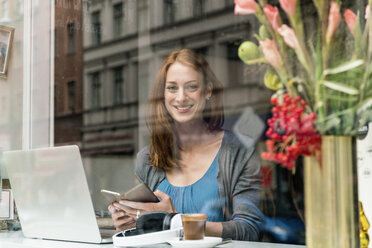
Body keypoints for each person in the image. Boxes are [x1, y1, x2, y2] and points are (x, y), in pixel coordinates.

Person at [108, 49, 262, 241]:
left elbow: (249, 229)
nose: (181, 98)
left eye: (191, 87)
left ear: (207, 91)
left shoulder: (238, 152)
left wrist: (174, 222)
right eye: (172, 88)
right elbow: (146, 234)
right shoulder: (147, 158)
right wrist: (129, 225)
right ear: (163, 95)